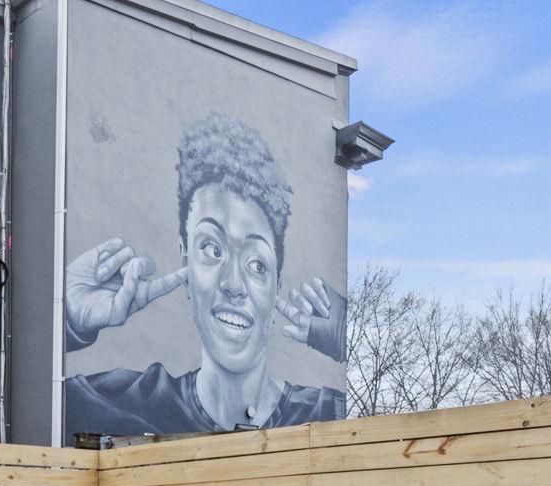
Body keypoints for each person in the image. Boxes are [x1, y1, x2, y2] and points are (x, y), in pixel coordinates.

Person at [64, 114, 345, 435]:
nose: (234, 286)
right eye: (213, 249)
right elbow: (21, 409)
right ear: (186, 261)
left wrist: (346, 334)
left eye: (257, 265)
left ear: (276, 284)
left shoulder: (322, 415)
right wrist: (68, 320)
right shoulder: (123, 405)